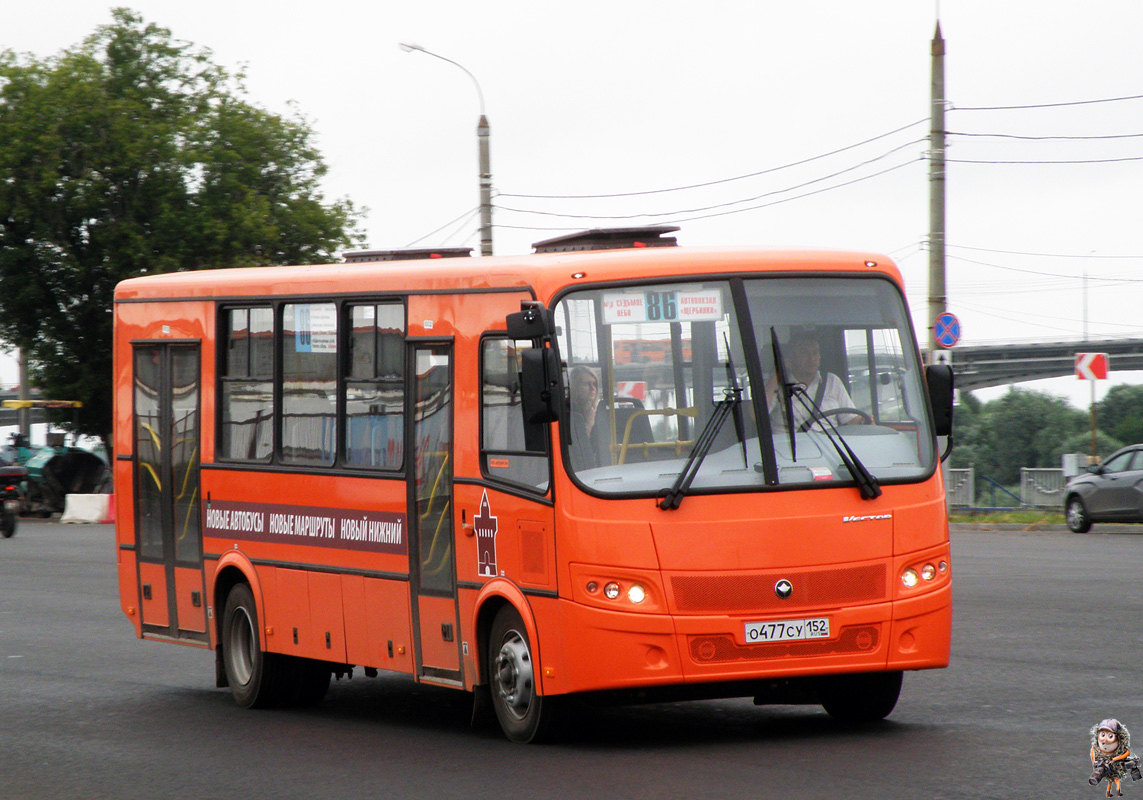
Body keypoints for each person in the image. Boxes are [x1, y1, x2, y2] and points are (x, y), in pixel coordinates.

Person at [768, 329, 865, 431]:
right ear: (791, 358)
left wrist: (863, 421)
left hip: (829, 445)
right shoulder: (777, 385)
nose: (811, 358)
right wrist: (778, 373)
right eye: (804, 353)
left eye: (815, 353)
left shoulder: (832, 381)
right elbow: (756, 414)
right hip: (790, 445)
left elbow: (850, 419)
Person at [568, 365, 610, 470]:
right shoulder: (568, 412)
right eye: (587, 384)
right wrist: (589, 423)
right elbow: (578, 449)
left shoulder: (601, 411)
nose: (592, 388)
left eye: (595, 384)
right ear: (575, 386)